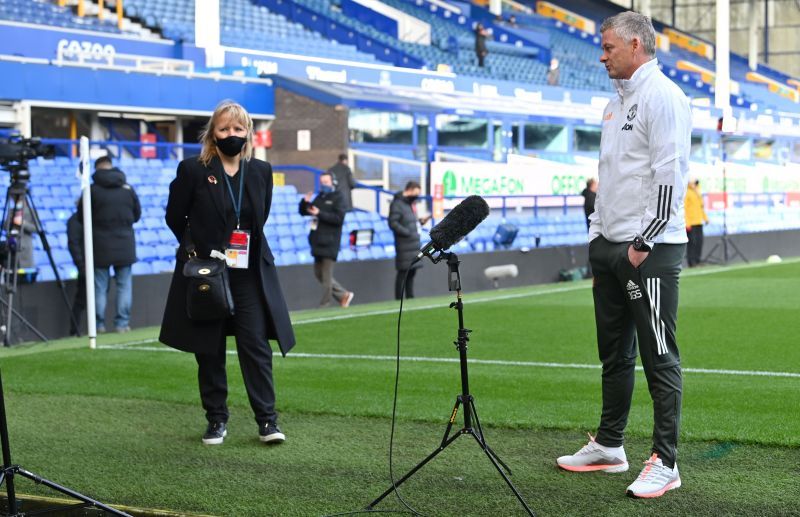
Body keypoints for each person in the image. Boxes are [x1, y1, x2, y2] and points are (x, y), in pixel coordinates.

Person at [556, 12, 691, 500]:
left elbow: (668, 175)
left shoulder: (664, 97)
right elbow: (608, 176)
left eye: (609, 46)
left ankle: (666, 461)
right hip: (609, 247)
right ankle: (611, 445)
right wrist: (597, 239)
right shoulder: (615, 105)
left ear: (637, 45)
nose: (602, 54)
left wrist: (644, 241)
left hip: (648, 250)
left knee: (659, 356)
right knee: (613, 354)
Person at [159, 100, 296, 446]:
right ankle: (216, 420)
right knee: (209, 348)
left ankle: (267, 421)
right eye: (224, 129)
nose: (231, 135)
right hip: (208, 273)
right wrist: (196, 250)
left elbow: (258, 218)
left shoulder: (261, 171)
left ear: (248, 133)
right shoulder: (192, 169)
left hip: (248, 273)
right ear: (212, 134)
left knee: (255, 345)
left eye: (237, 129)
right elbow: (175, 217)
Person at [79, 155, 140, 333]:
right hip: (125, 244)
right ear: (112, 167)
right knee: (124, 285)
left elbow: (81, 218)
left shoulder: (91, 191)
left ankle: (98, 325)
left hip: (99, 245)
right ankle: (122, 324)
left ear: (97, 169)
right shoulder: (127, 188)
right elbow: (137, 215)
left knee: (99, 286)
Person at [299, 171, 354, 308]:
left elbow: (338, 219)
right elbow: (305, 212)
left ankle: (325, 304)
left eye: (326, 182)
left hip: (330, 241)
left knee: (326, 276)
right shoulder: (320, 197)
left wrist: (320, 213)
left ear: (333, 182)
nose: (323, 184)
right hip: (317, 241)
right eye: (322, 182)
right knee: (319, 274)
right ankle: (343, 295)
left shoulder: (338, 198)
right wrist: (305, 203)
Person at [388, 181, 427, 300]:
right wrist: (407, 233)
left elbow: (410, 221)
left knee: (412, 272)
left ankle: (410, 297)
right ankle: (398, 299)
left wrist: (420, 222)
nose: (417, 196)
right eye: (415, 193)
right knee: (403, 273)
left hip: (413, 244)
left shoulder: (410, 204)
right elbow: (393, 223)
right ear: (409, 190)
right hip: (404, 244)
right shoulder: (397, 204)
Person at [66, 208, 86, 336]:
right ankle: (74, 330)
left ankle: (98, 326)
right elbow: (73, 243)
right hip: (85, 265)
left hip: (98, 262)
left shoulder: (96, 216)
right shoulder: (75, 220)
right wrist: (81, 265)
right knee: (81, 299)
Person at [684, 178, 708, 267]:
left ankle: (698, 260)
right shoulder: (687, 193)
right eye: (693, 182)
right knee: (692, 243)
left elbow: (701, 207)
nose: (695, 184)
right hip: (691, 223)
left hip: (699, 221)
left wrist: (705, 218)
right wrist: (687, 223)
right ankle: (691, 262)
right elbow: (684, 209)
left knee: (699, 241)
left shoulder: (698, 192)